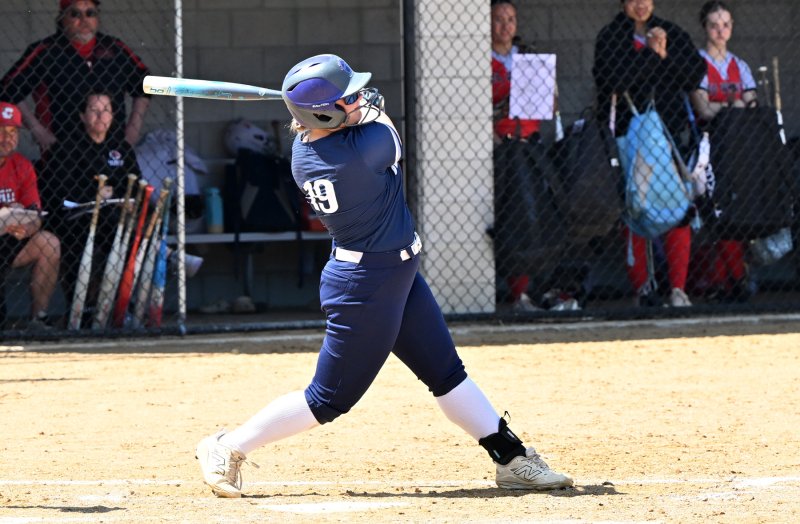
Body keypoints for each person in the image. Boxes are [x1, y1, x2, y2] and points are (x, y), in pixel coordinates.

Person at [194, 53, 573, 498]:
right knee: (328, 399)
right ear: (322, 112)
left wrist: (334, 105)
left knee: (447, 374)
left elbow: (339, 118)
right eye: (348, 96)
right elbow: (382, 122)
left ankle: (511, 459)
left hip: (396, 274)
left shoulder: (306, 147)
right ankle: (228, 446)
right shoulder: (362, 149)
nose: (361, 99)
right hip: (366, 288)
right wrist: (345, 108)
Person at [592, 0, 706, 307]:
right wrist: (650, 55)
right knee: (637, 208)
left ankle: (678, 289)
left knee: (678, 206)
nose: (640, 5)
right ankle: (643, 288)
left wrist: (666, 53)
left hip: (669, 136)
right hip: (630, 136)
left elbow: (695, 74)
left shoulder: (671, 32)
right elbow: (613, 80)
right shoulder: (611, 36)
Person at [491, 0, 574, 311]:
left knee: (532, 215)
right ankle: (518, 295)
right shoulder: (479, 59)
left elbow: (550, 107)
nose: (505, 26)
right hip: (501, 145)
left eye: (511, 19)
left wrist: (544, 89)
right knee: (510, 215)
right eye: (498, 19)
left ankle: (532, 290)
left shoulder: (527, 55)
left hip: (530, 144)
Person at [39, 91, 140, 321]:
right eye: (94, 110)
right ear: (83, 116)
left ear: (113, 116)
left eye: (106, 110)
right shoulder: (67, 147)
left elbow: (136, 185)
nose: (100, 115)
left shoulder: (121, 148)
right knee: (81, 239)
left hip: (112, 217)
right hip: (75, 219)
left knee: (122, 231)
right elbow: (58, 192)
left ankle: (121, 305)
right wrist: (92, 194)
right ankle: (82, 307)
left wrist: (119, 194)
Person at [1, 0, 151, 153]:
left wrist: (133, 128)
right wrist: (37, 130)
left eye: (90, 13)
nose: (84, 20)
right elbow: (7, 88)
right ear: (62, 18)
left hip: (114, 147)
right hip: (61, 149)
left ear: (97, 18)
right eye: (75, 14)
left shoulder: (114, 47)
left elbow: (146, 84)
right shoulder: (45, 51)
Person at [689, 1, 755, 302]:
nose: (720, 30)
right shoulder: (697, 62)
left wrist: (721, 106)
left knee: (736, 211)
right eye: (714, 24)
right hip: (707, 147)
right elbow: (701, 107)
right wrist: (734, 103)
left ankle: (735, 278)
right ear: (705, 27)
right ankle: (718, 280)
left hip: (738, 147)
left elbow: (752, 105)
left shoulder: (740, 65)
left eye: (726, 24)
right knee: (711, 212)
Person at [0, 102, 60, 329]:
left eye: (13, 132)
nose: (7, 138)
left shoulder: (22, 166)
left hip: (11, 239)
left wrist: (26, 227)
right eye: (1, 131)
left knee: (49, 242)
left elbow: (35, 214)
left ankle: (38, 319)